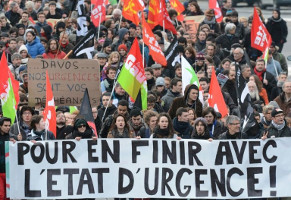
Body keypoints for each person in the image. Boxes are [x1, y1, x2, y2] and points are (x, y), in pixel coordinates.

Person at [0, 117, 11, 200]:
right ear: (0, 126)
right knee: (1, 195)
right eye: (5, 125)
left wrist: (18, 141)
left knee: (8, 195)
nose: (8, 127)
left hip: (8, 171)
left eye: (9, 125)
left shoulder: (11, 138)